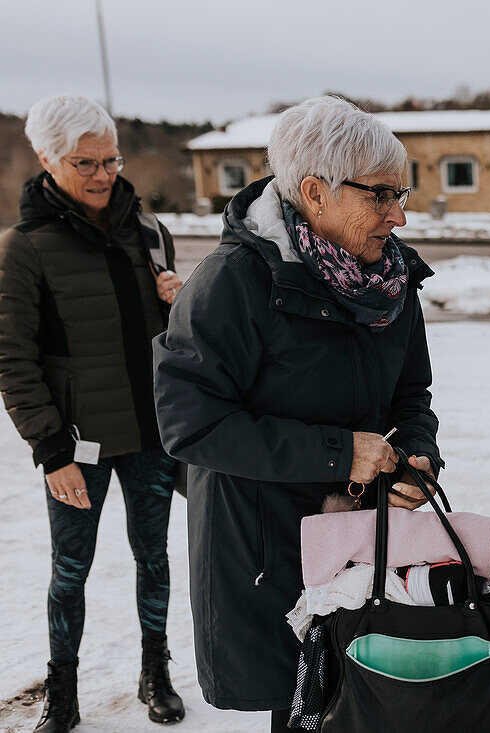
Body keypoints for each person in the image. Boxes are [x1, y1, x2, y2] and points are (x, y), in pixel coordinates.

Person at [151, 95, 444, 730]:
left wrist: (415, 455)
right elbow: (189, 424)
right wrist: (340, 452)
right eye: (380, 196)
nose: (398, 215)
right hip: (267, 548)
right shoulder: (233, 282)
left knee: (367, 695)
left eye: (403, 194)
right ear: (315, 192)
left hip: (365, 539)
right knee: (302, 702)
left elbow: (410, 397)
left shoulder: (391, 281)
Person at [0, 94, 186, 732]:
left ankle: (154, 671)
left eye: (111, 159)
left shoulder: (151, 232)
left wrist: (180, 305)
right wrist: (52, 453)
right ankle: (63, 691)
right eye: (86, 163)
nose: (104, 174)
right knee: (69, 572)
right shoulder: (24, 247)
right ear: (49, 160)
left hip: (152, 438)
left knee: (154, 557)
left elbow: (179, 345)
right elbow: (13, 361)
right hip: (75, 447)